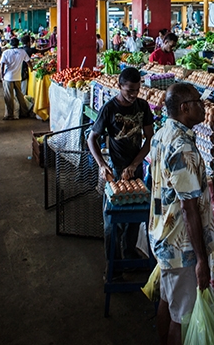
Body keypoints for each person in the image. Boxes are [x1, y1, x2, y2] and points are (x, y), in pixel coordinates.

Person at [148, 83, 214, 345]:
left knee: (169, 301)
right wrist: (201, 260)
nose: (203, 106)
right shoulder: (183, 147)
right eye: (198, 101)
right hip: (181, 245)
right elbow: (189, 209)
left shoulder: (162, 134)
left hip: (162, 232)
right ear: (184, 107)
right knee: (184, 315)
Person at [87, 68, 154, 278]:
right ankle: (113, 266)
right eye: (129, 90)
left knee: (134, 219)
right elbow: (92, 139)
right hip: (114, 171)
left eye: (137, 90)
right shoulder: (109, 108)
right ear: (120, 86)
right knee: (112, 222)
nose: (133, 95)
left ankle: (130, 255)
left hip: (135, 168)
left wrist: (135, 164)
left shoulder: (143, 106)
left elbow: (149, 139)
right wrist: (101, 164)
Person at [0, 37, 32, 120]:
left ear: (10, 44)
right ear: (18, 44)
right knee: (20, 95)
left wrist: (1, 75)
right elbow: (28, 62)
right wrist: (31, 69)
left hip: (8, 77)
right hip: (18, 77)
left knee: (9, 96)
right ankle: (24, 112)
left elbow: (2, 65)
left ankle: (9, 114)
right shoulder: (22, 52)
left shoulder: (6, 52)